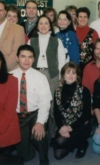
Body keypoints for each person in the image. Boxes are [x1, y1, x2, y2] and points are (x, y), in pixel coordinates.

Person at [28, 15, 66, 150]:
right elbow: (27, 60)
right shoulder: (31, 41)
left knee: (52, 107)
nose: (43, 26)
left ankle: (53, 135)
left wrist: (61, 79)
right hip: (36, 74)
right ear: (37, 26)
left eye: (46, 23)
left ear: (50, 26)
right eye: (41, 24)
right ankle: (38, 136)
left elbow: (62, 61)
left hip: (52, 76)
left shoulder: (56, 41)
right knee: (38, 105)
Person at [11, 45, 52, 165]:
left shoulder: (41, 77)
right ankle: (29, 146)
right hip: (18, 116)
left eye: (30, 57)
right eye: (23, 56)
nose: (27, 60)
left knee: (39, 133)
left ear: (34, 59)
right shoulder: (9, 76)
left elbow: (45, 102)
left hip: (35, 114)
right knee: (26, 157)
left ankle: (44, 158)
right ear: (17, 58)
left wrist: (40, 122)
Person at [53, 62, 92, 160]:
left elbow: (86, 115)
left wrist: (70, 127)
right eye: (68, 72)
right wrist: (61, 128)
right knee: (58, 155)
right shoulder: (57, 91)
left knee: (59, 142)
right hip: (64, 125)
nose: (70, 75)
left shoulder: (84, 91)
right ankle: (77, 143)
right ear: (63, 75)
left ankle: (82, 142)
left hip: (80, 125)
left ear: (77, 76)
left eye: (74, 73)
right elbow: (56, 113)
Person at [76, 7, 99, 74]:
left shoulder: (93, 33)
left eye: (85, 17)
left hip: (89, 67)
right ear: (77, 18)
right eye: (80, 17)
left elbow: (97, 51)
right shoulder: (72, 32)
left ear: (88, 19)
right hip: (74, 67)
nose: (82, 19)